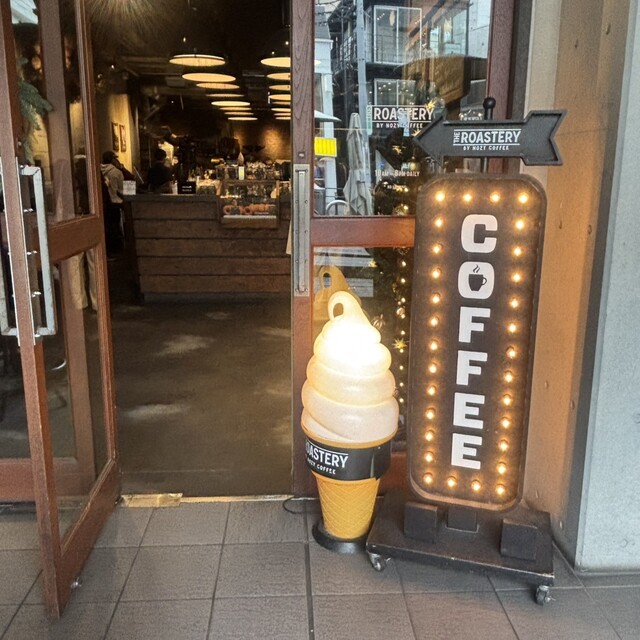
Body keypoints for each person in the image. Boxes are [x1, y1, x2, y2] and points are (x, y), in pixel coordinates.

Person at [100, 150, 124, 255]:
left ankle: (108, 249)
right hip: (116, 202)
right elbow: (122, 188)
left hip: (104, 203)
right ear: (113, 160)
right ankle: (116, 249)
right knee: (115, 226)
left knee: (107, 226)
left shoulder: (98, 171)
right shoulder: (117, 172)